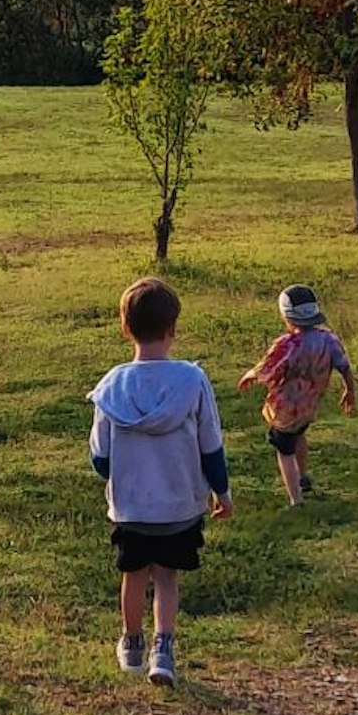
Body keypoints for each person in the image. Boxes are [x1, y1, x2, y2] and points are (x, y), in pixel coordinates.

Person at [90, 277, 231, 689]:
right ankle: (163, 649)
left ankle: (131, 644)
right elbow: (211, 446)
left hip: (132, 507)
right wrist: (222, 492)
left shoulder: (111, 386)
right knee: (166, 578)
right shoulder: (192, 381)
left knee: (133, 574)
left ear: (125, 327)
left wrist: (124, 477)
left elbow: (100, 458)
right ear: (173, 329)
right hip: (178, 507)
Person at [238, 284, 357, 505]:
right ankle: (302, 477)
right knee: (299, 435)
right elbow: (344, 366)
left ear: (286, 316)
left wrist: (250, 375)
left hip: (287, 408)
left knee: (283, 448)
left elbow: (267, 366)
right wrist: (350, 391)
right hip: (310, 405)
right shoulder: (328, 339)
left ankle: (295, 497)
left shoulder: (287, 344)